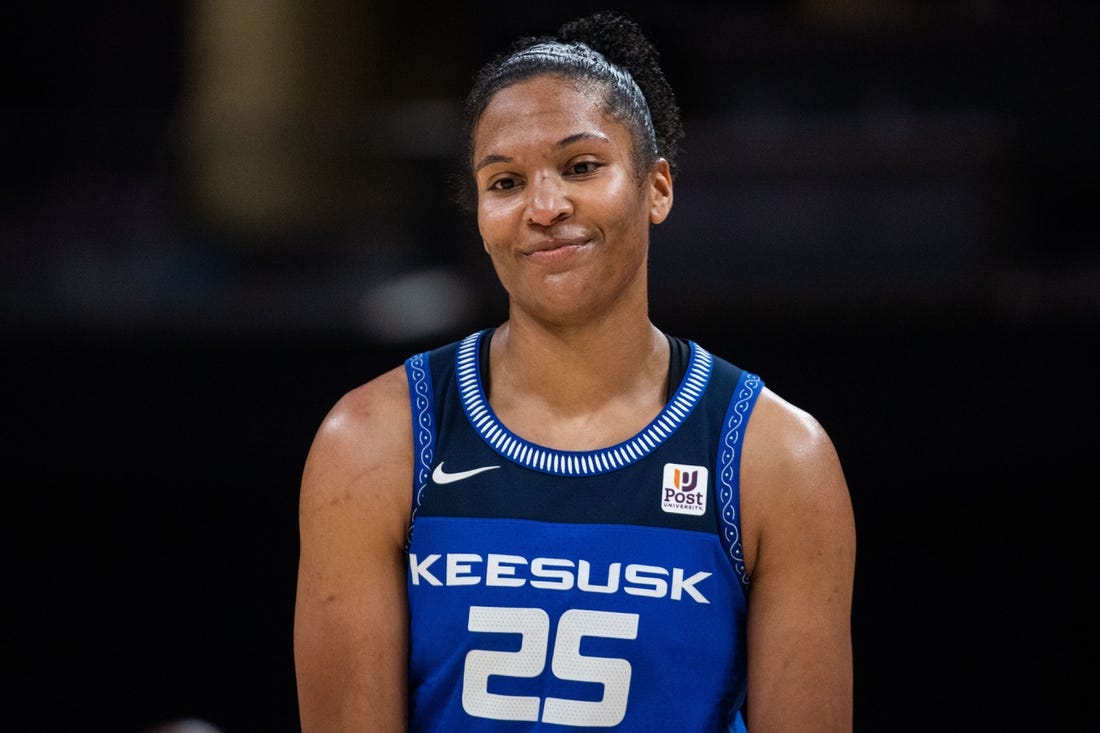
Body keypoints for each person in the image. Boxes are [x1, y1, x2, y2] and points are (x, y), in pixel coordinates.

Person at [294, 10, 855, 732]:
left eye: (581, 167)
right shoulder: (371, 442)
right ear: (479, 214)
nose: (545, 207)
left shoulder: (777, 458)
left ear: (656, 187)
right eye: (505, 182)